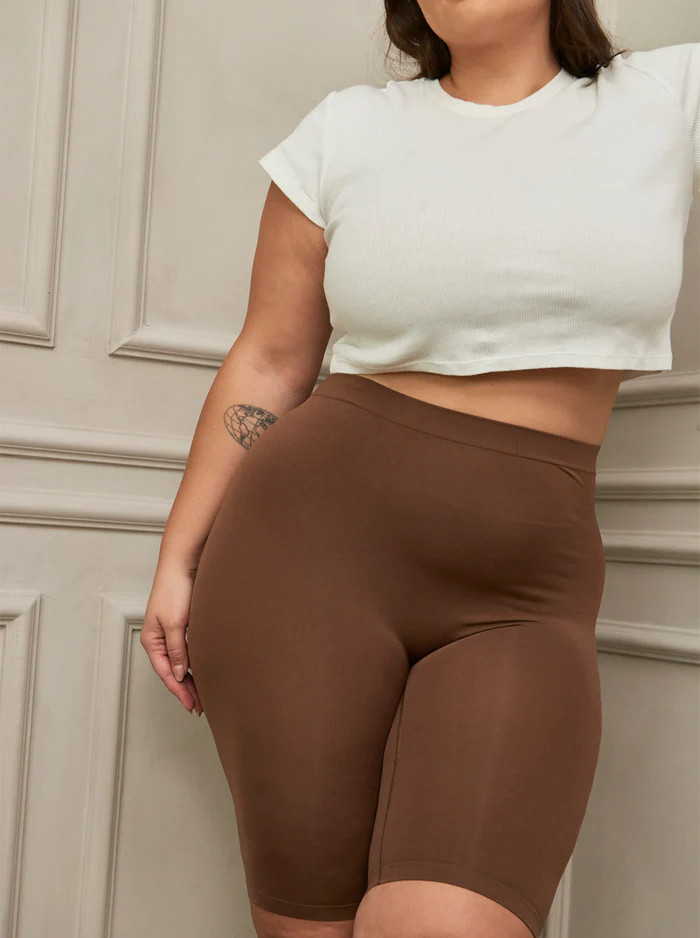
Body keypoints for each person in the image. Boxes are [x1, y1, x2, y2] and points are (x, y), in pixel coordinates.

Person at [140, 0, 699, 935]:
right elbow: (270, 360)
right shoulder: (346, 131)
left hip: (523, 592)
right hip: (301, 562)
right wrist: (177, 557)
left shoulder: (666, 98)